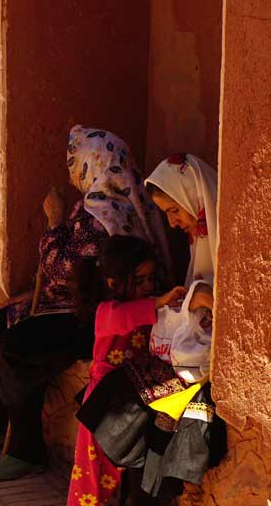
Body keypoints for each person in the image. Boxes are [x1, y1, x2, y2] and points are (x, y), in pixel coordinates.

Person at [0, 125, 171, 481]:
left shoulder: (102, 210)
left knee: (17, 346)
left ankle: (26, 450)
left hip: (93, 317)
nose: (71, 168)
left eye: (75, 160)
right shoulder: (114, 202)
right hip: (78, 306)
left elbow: (61, 269)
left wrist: (53, 220)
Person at [76, 153, 226, 504]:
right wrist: (184, 302)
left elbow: (210, 301)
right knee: (125, 418)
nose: (173, 224)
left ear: (195, 199)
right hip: (185, 360)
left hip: (202, 369)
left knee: (164, 426)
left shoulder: (222, 238)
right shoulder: (200, 241)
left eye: (175, 211)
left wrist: (195, 302)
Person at [67, 235, 186, 506]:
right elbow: (126, 318)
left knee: (129, 470)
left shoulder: (147, 307)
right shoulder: (107, 312)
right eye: (140, 280)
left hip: (131, 400)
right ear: (113, 284)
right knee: (90, 477)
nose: (149, 286)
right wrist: (160, 302)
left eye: (150, 279)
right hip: (105, 402)